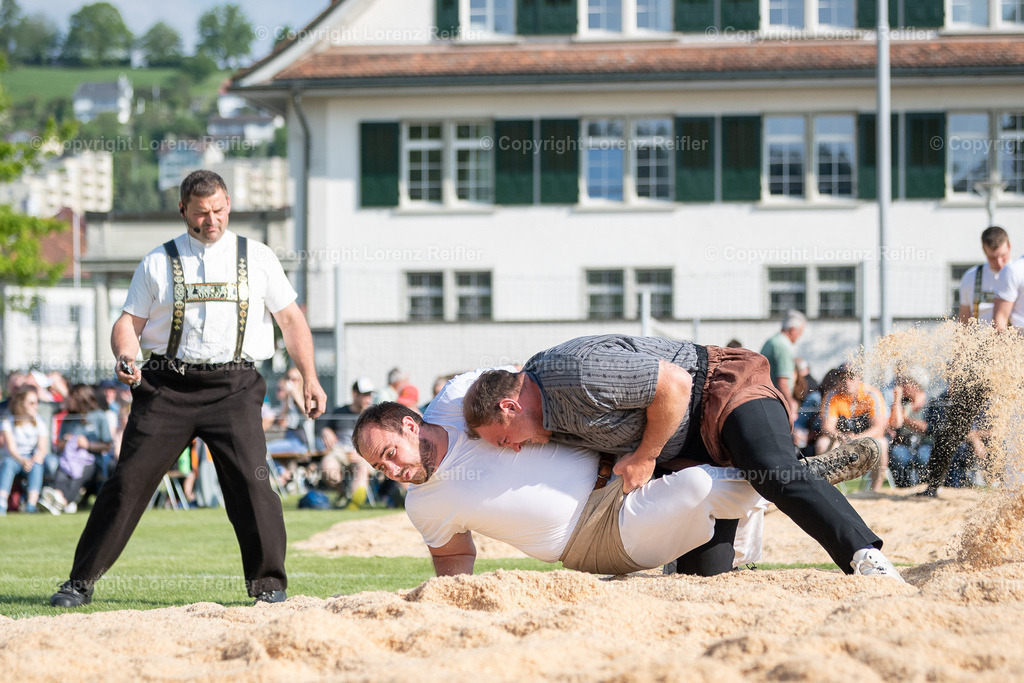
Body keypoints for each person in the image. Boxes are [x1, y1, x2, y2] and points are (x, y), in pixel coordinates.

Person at [49, 169, 327, 608]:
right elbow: (128, 323)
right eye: (200, 213)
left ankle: (269, 585)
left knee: (254, 483)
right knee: (128, 482)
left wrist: (309, 377)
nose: (211, 220)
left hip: (235, 387)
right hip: (166, 387)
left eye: (218, 210)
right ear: (183, 210)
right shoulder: (157, 262)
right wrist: (125, 357)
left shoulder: (258, 257)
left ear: (228, 205)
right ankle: (79, 582)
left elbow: (291, 321)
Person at [352, 373, 883, 578]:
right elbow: (453, 559)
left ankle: (773, 487)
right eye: (380, 468)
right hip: (591, 537)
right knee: (698, 486)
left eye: (390, 453)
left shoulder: (457, 398)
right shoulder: (423, 504)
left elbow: (525, 389)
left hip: (618, 472)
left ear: (409, 424)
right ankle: (785, 483)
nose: (392, 470)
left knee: (702, 481)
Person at [462, 335, 901, 580]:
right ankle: (774, 482)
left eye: (504, 439)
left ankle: (865, 556)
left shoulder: (571, 372)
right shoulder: (542, 419)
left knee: (773, 472)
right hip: (689, 454)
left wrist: (645, 457)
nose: (513, 448)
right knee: (701, 577)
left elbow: (674, 384)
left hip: (724, 389)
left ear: (510, 407)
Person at [921, 226, 1013, 497]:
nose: (999, 263)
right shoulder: (972, 278)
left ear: (1010, 247)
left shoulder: (1017, 273)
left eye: (1003, 256)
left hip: (1011, 357)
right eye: (993, 257)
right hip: (978, 359)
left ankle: (1010, 483)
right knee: (956, 422)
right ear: (984, 252)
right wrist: (957, 365)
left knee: (1011, 422)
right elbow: (963, 324)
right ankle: (932, 485)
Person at [39, 384, 114, 515]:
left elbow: (107, 445)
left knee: (79, 472)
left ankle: (60, 501)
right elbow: (59, 444)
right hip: (69, 458)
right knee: (63, 470)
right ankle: (59, 498)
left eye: (70, 397)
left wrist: (87, 445)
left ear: (80, 398)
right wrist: (68, 441)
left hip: (91, 461)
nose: (67, 400)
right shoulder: (68, 418)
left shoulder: (99, 416)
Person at [816, 364, 889, 492]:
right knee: (822, 443)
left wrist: (858, 438)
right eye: (843, 378)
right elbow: (827, 427)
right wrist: (840, 436)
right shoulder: (832, 395)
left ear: (859, 378)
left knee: (882, 443)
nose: (847, 382)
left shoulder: (871, 394)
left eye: (851, 377)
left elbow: (879, 428)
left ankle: (875, 491)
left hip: (866, 439)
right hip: (842, 439)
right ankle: (830, 491)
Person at [317, 378, 377, 508]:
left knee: (362, 469)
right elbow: (322, 425)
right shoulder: (339, 412)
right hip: (340, 452)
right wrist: (325, 430)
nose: (368, 399)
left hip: (364, 454)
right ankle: (344, 494)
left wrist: (362, 455)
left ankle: (354, 504)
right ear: (355, 394)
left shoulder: (374, 416)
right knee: (327, 466)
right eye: (365, 395)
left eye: (370, 395)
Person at [0, 387, 48, 514]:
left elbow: (42, 448)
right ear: (21, 403)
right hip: (14, 458)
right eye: (31, 403)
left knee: (37, 465)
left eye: (36, 402)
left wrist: (33, 459)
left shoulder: (39, 421)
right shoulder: (8, 421)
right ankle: (1, 503)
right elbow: (11, 448)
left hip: (31, 458)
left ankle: (31, 506)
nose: (35, 406)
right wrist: (23, 461)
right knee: (8, 464)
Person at [887, 374, 932, 488]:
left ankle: (924, 487)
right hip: (905, 444)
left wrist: (906, 420)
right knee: (898, 454)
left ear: (916, 385)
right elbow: (896, 424)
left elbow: (927, 428)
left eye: (904, 383)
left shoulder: (930, 402)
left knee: (923, 456)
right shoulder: (902, 403)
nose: (901, 387)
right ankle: (904, 488)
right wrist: (897, 400)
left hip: (925, 444)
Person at [760, 310, 807, 415]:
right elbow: (782, 381)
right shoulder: (783, 347)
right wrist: (790, 402)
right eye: (801, 331)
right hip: (774, 402)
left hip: (764, 398)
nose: (800, 335)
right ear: (793, 330)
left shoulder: (771, 341)